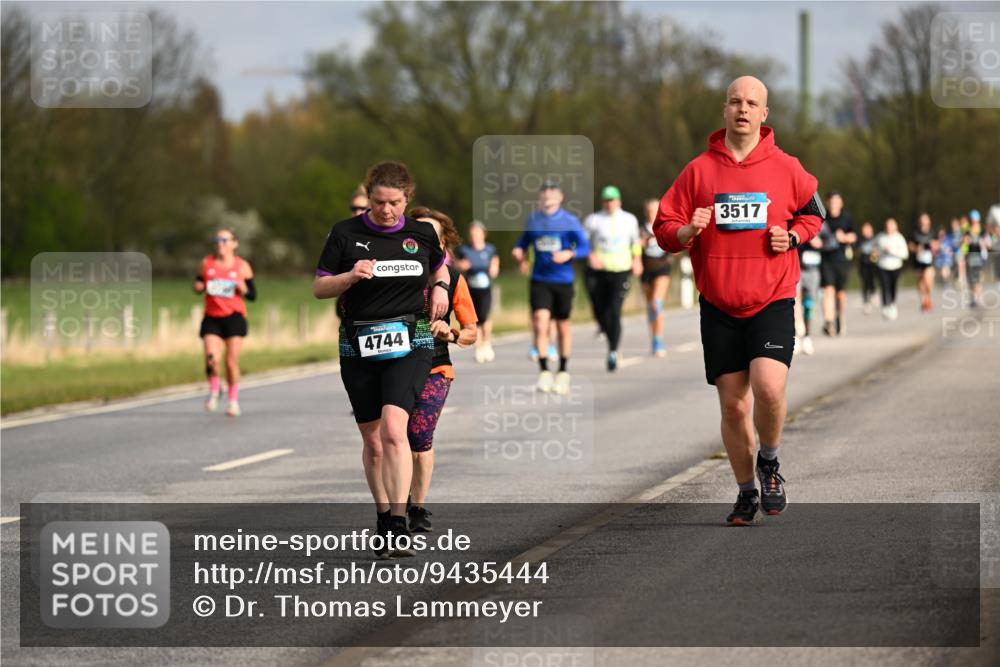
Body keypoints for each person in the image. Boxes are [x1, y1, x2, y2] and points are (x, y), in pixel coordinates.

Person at [654, 76, 823, 526]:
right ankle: (746, 491)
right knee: (734, 406)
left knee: (768, 387)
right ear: (725, 110)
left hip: (771, 297)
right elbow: (663, 226)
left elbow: (814, 213)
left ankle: (769, 461)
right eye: (735, 102)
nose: (742, 109)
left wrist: (793, 236)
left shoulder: (786, 167)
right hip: (719, 303)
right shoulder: (698, 171)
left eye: (752, 103)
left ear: (764, 114)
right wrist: (686, 232)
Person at [313, 161, 449, 559]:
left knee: (394, 429)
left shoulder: (421, 233)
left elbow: (440, 267)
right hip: (359, 343)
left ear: (407, 199)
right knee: (373, 442)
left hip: (412, 339)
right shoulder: (345, 233)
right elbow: (320, 287)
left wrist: (440, 287)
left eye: (394, 203)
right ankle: (382, 514)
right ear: (369, 197)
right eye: (378, 202)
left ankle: (398, 523)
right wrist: (351, 276)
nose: (386, 210)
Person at [406, 207, 478, 533]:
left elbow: (471, 331)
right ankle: (397, 503)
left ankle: (417, 507)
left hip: (436, 366)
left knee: (419, 435)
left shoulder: (455, 278)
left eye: (432, 235)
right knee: (393, 437)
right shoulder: (396, 270)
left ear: (443, 242)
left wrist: (451, 334)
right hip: (394, 364)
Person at [512, 180, 590, 394]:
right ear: (540, 197)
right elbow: (523, 242)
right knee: (540, 322)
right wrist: (519, 253)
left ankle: (563, 371)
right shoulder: (533, 220)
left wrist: (569, 254)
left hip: (563, 280)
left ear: (560, 197)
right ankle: (544, 371)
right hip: (540, 279)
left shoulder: (570, 221)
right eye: (544, 192)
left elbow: (585, 247)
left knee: (563, 325)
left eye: (552, 192)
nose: (548, 196)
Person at [194, 228, 256, 417]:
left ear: (234, 243)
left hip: (234, 318)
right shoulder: (207, 263)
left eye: (224, 239)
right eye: (217, 240)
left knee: (230, 362)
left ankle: (233, 401)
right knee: (211, 358)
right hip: (212, 318)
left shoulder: (242, 266)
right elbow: (197, 284)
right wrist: (199, 287)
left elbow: (253, 295)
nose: (220, 243)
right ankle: (214, 390)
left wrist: (243, 287)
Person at [584, 185, 643, 371]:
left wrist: (637, 260)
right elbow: (582, 242)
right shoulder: (593, 220)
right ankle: (604, 328)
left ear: (619, 201)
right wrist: (590, 256)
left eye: (612, 200)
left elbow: (635, 243)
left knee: (614, 310)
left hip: (621, 269)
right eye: (606, 201)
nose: (609, 204)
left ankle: (613, 351)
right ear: (602, 202)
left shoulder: (629, 220)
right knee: (599, 309)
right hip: (598, 270)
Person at [455, 221, 499, 363]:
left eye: (477, 234)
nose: (474, 237)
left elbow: (495, 265)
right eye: (472, 235)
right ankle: (478, 347)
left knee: (485, 317)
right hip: (470, 289)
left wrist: (494, 269)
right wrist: (462, 266)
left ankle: (487, 342)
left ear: (483, 234)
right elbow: (457, 265)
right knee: (475, 319)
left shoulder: (490, 249)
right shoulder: (464, 250)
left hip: (485, 289)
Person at [818, 192, 856, 336]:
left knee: (840, 294)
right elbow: (815, 234)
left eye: (837, 201)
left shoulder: (846, 218)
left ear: (841, 203)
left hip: (842, 260)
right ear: (828, 203)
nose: (834, 203)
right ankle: (829, 322)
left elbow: (854, 236)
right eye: (832, 201)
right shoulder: (823, 217)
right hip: (826, 259)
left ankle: (840, 316)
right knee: (828, 290)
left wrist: (845, 237)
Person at [639, 197, 673, 356]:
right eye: (650, 211)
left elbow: (676, 245)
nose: (652, 213)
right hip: (646, 271)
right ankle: (654, 337)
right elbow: (635, 250)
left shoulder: (664, 227)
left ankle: (659, 340)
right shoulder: (641, 230)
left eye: (655, 210)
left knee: (656, 304)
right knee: (650, 307)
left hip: (662, 269)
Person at [874, 217, 909, 320]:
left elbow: (905, 254)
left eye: (891, 225)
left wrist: (892, 251)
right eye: (887, 225)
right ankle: (885, 306)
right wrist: (877, 252)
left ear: (895, 227)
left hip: (895, 266)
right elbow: (874, 248)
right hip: (883, 266)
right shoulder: (880, 237)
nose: (889, 227)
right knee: (884, 286)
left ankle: (892, 304)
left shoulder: (899, 238)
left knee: (893, 287)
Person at [794, 234, 823, 355]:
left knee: (808, 304)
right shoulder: (795, 218)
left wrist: (818, 241)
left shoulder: (822, 224)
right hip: (797, 268)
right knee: (794, 303)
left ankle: (807, 336)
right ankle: (795, 335)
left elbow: (828, 242)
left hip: (813, 271)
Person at [964, 210, 992, 308]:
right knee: (971, 279)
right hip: (971, 257)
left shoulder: (983, 231)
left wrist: (984, 243)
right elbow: (965, 243)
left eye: (975, 220)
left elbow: (989, 244)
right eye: (972, 220)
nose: (973, 222)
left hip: (980, 257)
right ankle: (973, 297)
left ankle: (976, 298)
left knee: (979, 277)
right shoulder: (968, 231)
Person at [910, 212, 936, 311]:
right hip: (917, 261)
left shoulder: (933, 233)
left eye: (925, 220)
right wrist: (916, 248)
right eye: (922, 220)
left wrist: (934, 246)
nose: (923, 222)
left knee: (928, 280)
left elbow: (938, 244)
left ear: (929, 221)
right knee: (920, 282)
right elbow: (910, 246)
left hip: (929, 261)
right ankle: (924, 300)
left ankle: (928, 296)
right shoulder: (914, 233)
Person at [856, 221, 879, 313]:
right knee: (864, 282)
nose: (865, 232)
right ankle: (866, 302)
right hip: (863, 264)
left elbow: (878, 251)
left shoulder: (875, 240)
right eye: (864, 230)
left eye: (867, 229)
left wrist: (875, 253)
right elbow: (856, 251)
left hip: (872, 264)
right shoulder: (860, 240)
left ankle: (873, 293)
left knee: (872, 280)